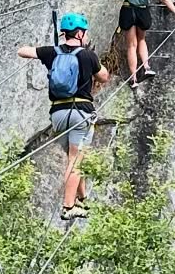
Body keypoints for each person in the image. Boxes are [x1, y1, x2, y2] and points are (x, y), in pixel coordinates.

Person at [16, 12, 107, 221]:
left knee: (73, 159)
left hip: (58, 115)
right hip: (81, 113)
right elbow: (104, 75)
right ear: (80, 33)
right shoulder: (87, 55)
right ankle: (68, 207)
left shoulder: (52, 53)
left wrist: (51, 53)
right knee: (76, 160)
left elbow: (22, 51)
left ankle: (82, 199)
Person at [118, 0, 166, 86]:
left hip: (128, 10)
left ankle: (133, 79)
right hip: (143, 12)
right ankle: (146, 67)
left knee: (131, 46)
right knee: (142, 40)